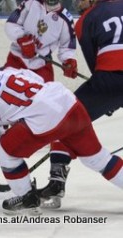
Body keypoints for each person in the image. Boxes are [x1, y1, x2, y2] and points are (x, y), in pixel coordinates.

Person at [0, 57, 123, 214]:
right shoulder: (7, 71)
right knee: (98, 159)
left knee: (4, 150)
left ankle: (27, 197)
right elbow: (35, 83)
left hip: (47, 119)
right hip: (68, 103)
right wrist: (17, 118)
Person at [38, 0, 123, 207]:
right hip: (113, 81)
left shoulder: (85, 20)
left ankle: (56, 181)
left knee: (64, 117)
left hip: (111, 80)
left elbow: (97, 68)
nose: (77, 1)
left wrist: (108, 99)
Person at [0, 0, 78, 141]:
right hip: (17, 58)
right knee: (5, 91)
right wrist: (23, 39)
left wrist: (68, 61)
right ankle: (2, 126)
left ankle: (42, 130)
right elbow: (11, 24)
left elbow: (67, 46)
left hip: (41, 63)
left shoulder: (65, 18)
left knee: (47, 99)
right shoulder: (31, 3)